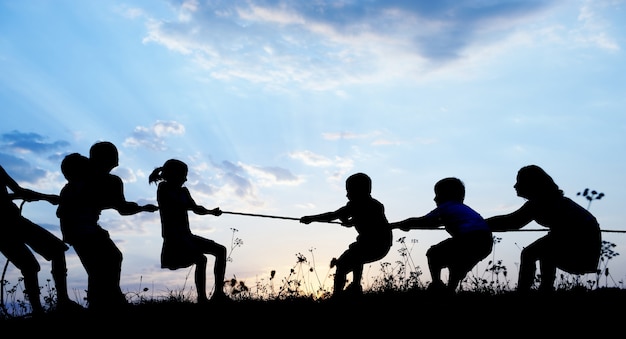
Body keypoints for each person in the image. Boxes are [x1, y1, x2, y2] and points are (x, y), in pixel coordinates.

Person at [56, 142, 158, 311]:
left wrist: (141, 208)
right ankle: (107, 302)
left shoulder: (110, 181)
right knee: (102, 264)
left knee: (109, 260)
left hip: (87, 227)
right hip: (77, 229)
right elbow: (117, 206)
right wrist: (138, 207)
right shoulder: (84, 178)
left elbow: (120, 207)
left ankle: (103, 302)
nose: (113, 164)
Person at [485, 165, 601, 293]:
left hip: (580, 241)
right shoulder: (548, 200)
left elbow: (513, 222)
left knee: (531, 254)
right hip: (578, 238)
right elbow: (512, 221)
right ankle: (545, 290)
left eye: (519, 182)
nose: (515, 186)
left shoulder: (541, 203)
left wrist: (481, 224)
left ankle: (524, 292)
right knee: (544, 253)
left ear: (531, 184)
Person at [0, 164, 81, 315]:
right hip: (3, 229)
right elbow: (17, 193)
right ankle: (40, 310)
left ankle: (61, 302)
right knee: (31, 266)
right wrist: (44, 197)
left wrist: (45, 197)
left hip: (15, 221)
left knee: (56, 250)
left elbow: (18, 191)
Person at [390, 177, 493, 294]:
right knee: (456, 264)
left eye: (437, 194)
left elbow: (426, 221)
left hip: (469, 239)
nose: (435, 198)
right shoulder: (464, 209)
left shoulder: (447, 207)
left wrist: (402, 224)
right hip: (485, 242)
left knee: (434, 254)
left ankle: (437, 284)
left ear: (447, 195)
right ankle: (449, 291)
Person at [148, 158, 229, 304]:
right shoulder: (163, 189)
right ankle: (202, 299)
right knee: (201, 259)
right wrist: (189, 206)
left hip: (186, 237)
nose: (186, 178)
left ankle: (218, 294)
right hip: (174, 239)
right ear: (173, 175)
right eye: (183, 175)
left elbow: (196, 208)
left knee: (220, 250)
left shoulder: (183, 191)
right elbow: (181, 204)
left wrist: (211, 212)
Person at [300, 172, 392, 299]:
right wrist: (349, 221)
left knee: (344, 263)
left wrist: (312, 218)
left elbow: (333, 215)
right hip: (377, 244)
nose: (347, 194)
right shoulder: (371, 204)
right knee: (355, 255)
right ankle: (355, 287)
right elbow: (351, 216)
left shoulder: (363, 205)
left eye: (350, 190)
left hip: (376, 244)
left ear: (361, 190)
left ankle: (338, 295)